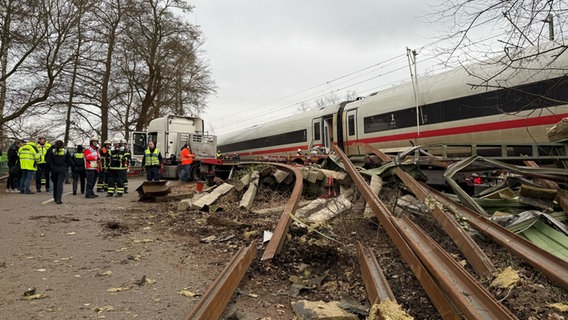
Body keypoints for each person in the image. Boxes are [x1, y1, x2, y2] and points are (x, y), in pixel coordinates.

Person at [46, 140, 74, 204]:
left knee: (55, 183)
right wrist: (71, 167)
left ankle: (55, 197)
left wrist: (50, 168)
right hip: (62, 169)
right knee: (60, 184)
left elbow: (48, 160)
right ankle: (58, 199)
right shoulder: (65, 151)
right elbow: (70, 161)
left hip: (54, 169)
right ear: (62, 145)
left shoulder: (52, 151)